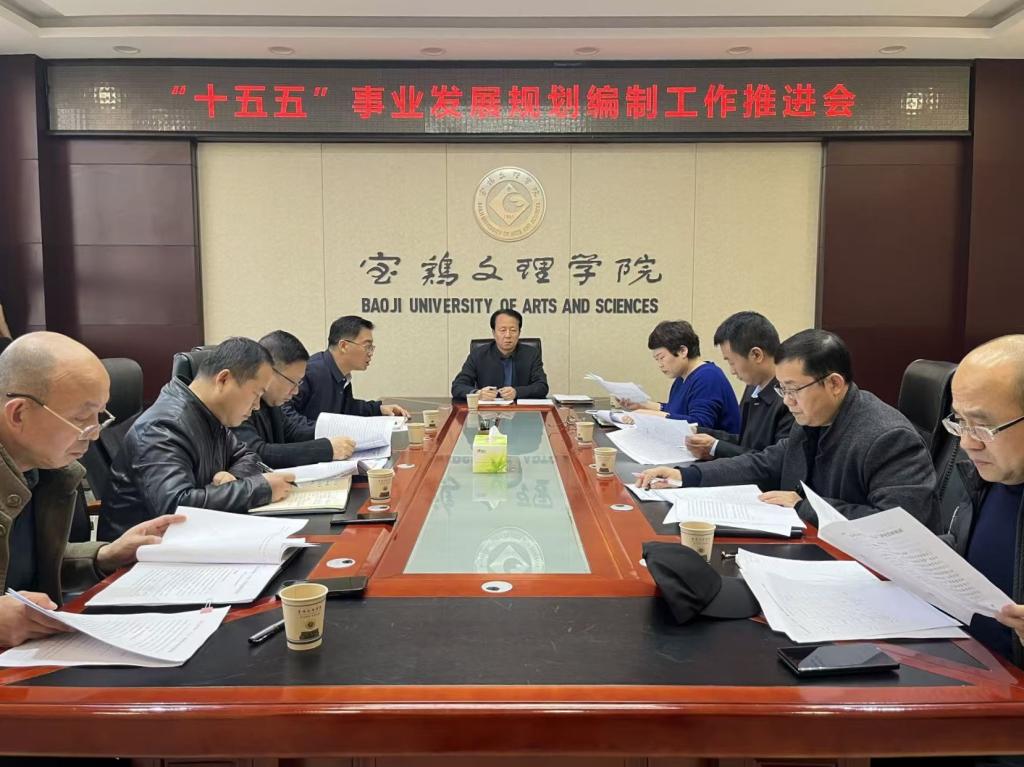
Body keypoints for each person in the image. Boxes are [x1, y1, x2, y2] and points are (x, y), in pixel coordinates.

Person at [638, 329, 939, 529]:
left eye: (794, 389)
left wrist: (803, 507)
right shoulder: (812, 419)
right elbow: (764, 462)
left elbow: (897, 527)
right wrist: (684, 476)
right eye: (783, 390)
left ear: (834, 384)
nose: (787, 401)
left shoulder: (888, 437)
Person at [0, 332, 180, 648]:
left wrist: (105, 555)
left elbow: (27, 566)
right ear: (18, 414)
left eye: (100, 415)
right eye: (82, 417)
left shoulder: (46, 473)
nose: (95, 434)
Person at [99, 337, 295, 540]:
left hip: (193, 538)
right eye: (256, 394)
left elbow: (248, 456)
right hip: (143, 552)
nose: (257, 406)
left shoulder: (210, 414)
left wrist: (233, 478)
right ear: (224, 380)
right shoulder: (163, 427)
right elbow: (176, 507)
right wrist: (260, 489)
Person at [942, 335, 1024, 668]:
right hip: (959, 654)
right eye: (960, 422)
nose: (966, 443)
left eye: (983, 426)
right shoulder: (988, 478)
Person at [232, 330, 356, 469]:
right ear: (268, 372)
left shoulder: (271, 402)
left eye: (299, 383)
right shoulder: (239, 401)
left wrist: (345, 431)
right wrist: (326, 449)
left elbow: (294, 431)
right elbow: (257, 453)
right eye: (293, 382)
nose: (296, 391)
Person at [686, 311, 794, 460]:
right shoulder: (753, 388)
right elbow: (744, 441)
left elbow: (773, 461)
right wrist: (698, 432)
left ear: (756, 355)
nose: (732, 371)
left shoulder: (790, 398)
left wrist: (716, 447)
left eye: (731, 362)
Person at [285, 315, 409, 425]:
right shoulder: (311, 371)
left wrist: (379, 409)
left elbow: (346, 408)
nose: (370, 353)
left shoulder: (341, 375)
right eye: (367, 346)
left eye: (372, 347)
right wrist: (322, 430)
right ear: (344, 346)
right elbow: (285, 416)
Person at [620, 320, 740, 432]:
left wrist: (650, 416)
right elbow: (675, 411)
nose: (660, 365)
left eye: (662, 358)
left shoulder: (708, 377)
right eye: (657, 360)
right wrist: (643, 405)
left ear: (683, 351)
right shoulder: (681, 378)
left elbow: (700, 425)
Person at [451, 309, 548, 401]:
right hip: (488, 411)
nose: (508, 335)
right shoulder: (478, 354)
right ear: (494, 333)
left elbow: (542, 386)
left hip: (520, 409)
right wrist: (478, 393)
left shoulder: (531, 354)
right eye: (502, 330)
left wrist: (517, 392)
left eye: (513, 330)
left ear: (519, 332)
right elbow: (457, 386)